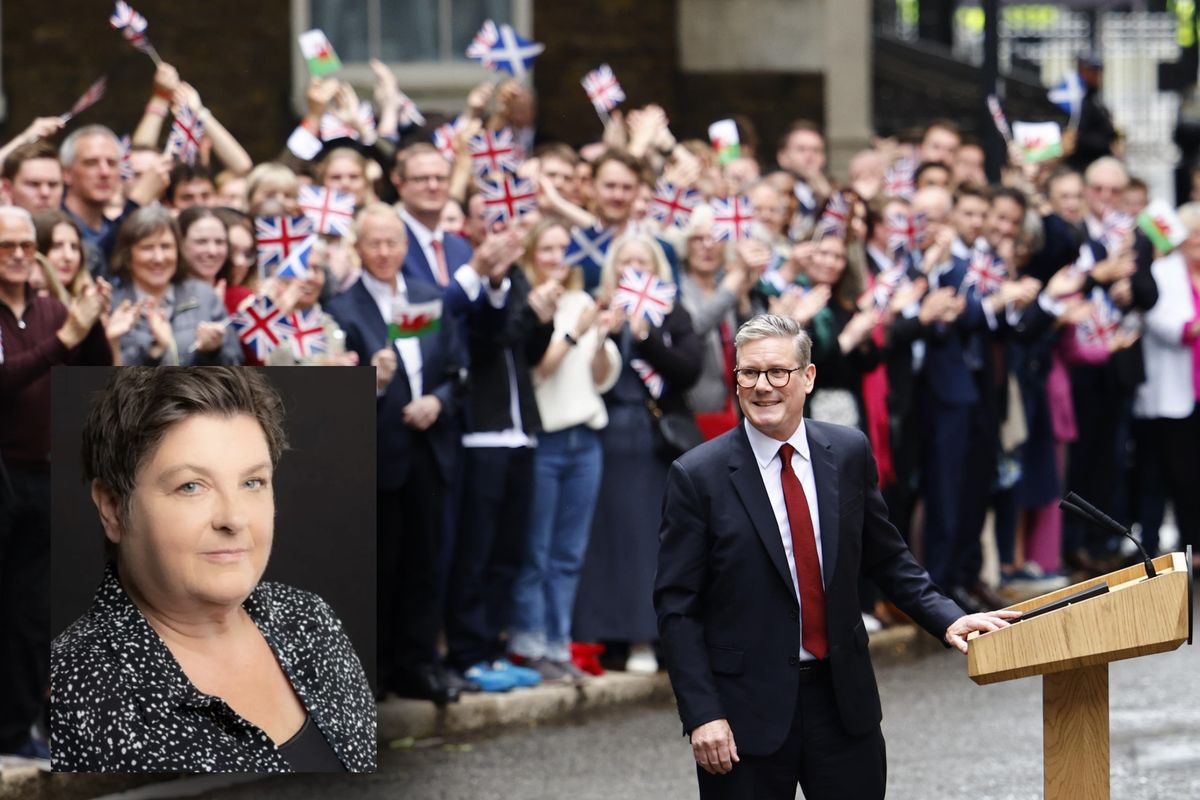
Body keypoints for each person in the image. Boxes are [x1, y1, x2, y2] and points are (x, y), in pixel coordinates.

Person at [654, 314, 1018, 799]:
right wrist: (703, 714)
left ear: (808, 378)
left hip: (844, 705)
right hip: (744, 717)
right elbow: (677, 607)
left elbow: (888, 559)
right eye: (749, 373)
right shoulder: (697, 475)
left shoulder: (846, 452)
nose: (762, 386)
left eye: (777, 372)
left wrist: (948, 618)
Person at [50, 367, 375, 772]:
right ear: (113, 507)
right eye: (191, 486)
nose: (233, 518)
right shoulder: (75, 689)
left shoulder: (310, 621)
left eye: (253, 483)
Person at [326, 203, 466, 704]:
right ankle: (376, 670)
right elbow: (332, 391)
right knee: (381, 565)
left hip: (429, 450)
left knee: (426, 562)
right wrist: (374, 383)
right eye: (374, 243)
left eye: (392, 243)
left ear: (406, 247)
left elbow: (454, 370)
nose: (384, 252)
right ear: (358, 249)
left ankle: (419, 665)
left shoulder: (429, 299)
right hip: (378, 454)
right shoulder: (342, 307)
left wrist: (437, 401)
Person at [0, 205, 111, 767]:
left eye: (26, 245)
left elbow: (93, 371)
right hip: (1, 472)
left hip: (42, 476)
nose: (18, 254)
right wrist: (66, 335)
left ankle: (15, 728)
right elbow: (7, 378)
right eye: (6, 246)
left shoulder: (49, 309)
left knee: (29, 609)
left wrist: (89, 326)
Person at [574, 233, 702, 674]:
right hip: (609, 434)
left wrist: (647, 338)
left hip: (656, 439)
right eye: (624, 261)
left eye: (641, 262)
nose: (633, 269)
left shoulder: (672, 312)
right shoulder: (595, 309)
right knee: (611, 543)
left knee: (652, 542)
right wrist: (599, 335)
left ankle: (652, 637)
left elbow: (688, 371)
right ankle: (612, 635)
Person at [507, 219, 620, 682]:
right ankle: (528, 641)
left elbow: (600, 378)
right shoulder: (528, 305)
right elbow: (538, 373)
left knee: (569, 552)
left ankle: (558, 641)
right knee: (536, 549)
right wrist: (573, 333)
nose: (556, 257)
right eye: (547, 249)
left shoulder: (581, 302)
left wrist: (601, 337)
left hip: (586, 439)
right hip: (545, 440)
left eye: (562, 248)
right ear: (531, 255)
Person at [108, 205, 242, 366]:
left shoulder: (203, 295)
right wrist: (155, 352)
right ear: (127, 255)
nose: (159, 258)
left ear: (179, 250)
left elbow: (236, 364)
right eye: (147, 247)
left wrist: (213, 352)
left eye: (166, 246)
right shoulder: (113, 305)